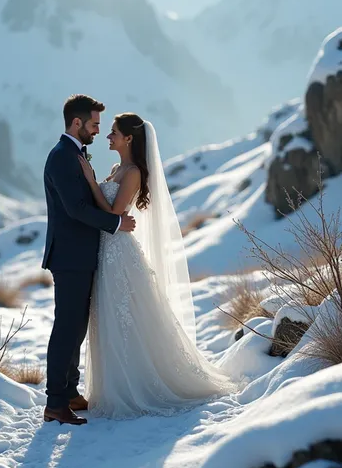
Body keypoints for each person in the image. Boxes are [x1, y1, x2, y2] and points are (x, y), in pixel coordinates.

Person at [79, 113, 234, 419]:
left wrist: (88, 179)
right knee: (110, 316)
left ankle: (138, 385)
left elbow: (114, 211)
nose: (108, 137)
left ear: (129, 139)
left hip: (119, 252)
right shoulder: (115, 169)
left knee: (127, 315)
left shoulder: (134, 172)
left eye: (113, 133)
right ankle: (113, 385)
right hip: (105, 250)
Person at [42, 95, 136, 426]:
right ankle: (55, 403)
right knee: (67, 328)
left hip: (81, 255)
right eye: (95, 124)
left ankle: (69, 391)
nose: (98, 131)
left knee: (77, 327)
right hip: (69, 257)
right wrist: (116, 223)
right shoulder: (62, 157)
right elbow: (75, 209)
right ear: (77, 123)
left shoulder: (75, 154)